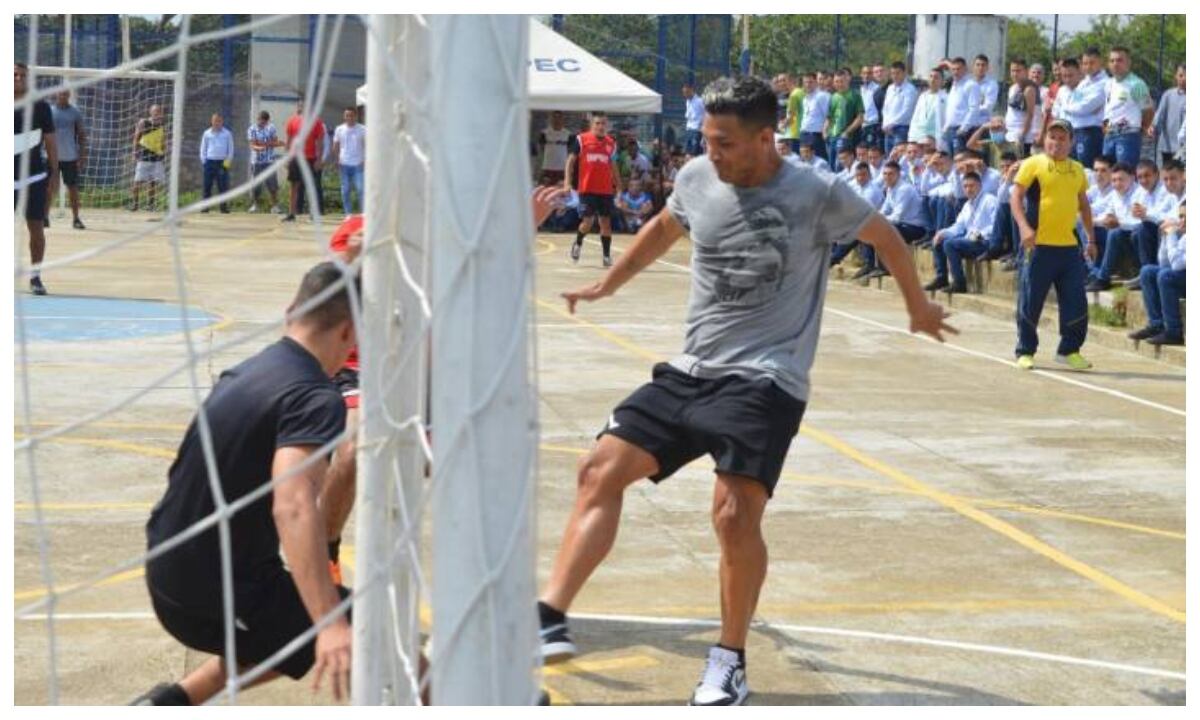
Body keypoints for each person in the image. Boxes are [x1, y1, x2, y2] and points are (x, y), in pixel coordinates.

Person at [537, 76, 955, 706]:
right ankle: (548, 615)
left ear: (767, 139)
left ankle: (728, 660)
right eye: (708, 140)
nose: (714, 154)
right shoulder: (699, 176)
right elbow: (663, 227)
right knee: (599, 470)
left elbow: (887, 237)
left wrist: (917, 307)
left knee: (733, 515)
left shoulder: (816, 192)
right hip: (692, 368)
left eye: (726, 143)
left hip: (766, 376)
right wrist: (609, 284)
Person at [135, 262, 358, 705]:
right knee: (370, 626)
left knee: (288, 630)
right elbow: (292, 504)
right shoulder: (315, 397)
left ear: (290, 311)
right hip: (209, 590)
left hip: (166, 562)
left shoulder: (247, 371)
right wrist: (330, 623)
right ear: (349, 333)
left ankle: (169, 704)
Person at [1010, 119, 1096, 371]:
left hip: (1069, 247)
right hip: (1038, 246)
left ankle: (1069, 349)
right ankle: (1025, 350)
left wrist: (1091, 238)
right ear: (1044, 139)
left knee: (1076, 301)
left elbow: (1084, 204)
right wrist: (1025, 228)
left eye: (1062, 138)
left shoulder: (1078, 169)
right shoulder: (1032, 164)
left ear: (1071, 142)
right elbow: (1015, 196)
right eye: (1052, 137)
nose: (1056, 143)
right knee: (1030, 300)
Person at [14, 62, 57, 296]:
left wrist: (54, 172)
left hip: (34, 178)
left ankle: (35, 276)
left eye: (22, 75)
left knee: (36, 228)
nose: (18, 78)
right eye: (14, 75)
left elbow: (50, 140)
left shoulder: (40, 107)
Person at [926, 171, 998, 293]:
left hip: (984, 242)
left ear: (980, 185)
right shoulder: (967, 205)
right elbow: (959, 226)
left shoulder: (990, 200)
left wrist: (980, 234)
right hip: (970, 241)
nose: (968, 189)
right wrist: (943, 232)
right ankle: (942, 277)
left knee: (950, 244)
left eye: (972, 186)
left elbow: (995, 226)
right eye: (965, 186)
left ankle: (959, 283)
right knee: (940, 239)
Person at [564, 111, 620, 267]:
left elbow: (614, 167)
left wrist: (620, 188)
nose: (601, 126)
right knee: (587, 222)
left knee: (605, 223)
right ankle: (578, 242)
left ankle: (606, 256)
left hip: (605, 190)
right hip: (587, 189)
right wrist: (567, 183)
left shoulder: (611, 143)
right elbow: (570, 161)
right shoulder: (581, 140)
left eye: (603, 124)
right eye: (597, 123)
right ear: (591, 125)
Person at [1128, 200, 1186, 346]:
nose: (1182, 221)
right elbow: (1164, 262)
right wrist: (1166, 237)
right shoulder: (1185, 235)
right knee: (1147, 271)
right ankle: (1156, 325)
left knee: (1165, 276)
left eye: (1187, 217)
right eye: (1181, 216)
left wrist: (1172, 235)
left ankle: (1174, 332)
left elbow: (1177, 265)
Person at [1102, 46, 1153, 166]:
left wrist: (1141, 129)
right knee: (1108, 173)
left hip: (1127, 136)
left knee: (1125, 174)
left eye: (1120, 60)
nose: (1115, 64)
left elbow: (1148, 110)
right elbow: (1108, 110)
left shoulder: (1137, 84)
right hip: (1109, 135)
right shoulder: (1108, 83)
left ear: (1128, 62)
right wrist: (1105, 130)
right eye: (1112, 60)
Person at [49, 89, 87, 230]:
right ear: (56, 95)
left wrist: (82, 155)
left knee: (72, 189)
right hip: (51, 156)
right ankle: (45, 217)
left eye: (65, 94)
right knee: (49, 187)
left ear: (69, 96)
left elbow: (82, 135)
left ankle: (76, 218)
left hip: (70, 157)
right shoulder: (49, 111)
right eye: (60, 94)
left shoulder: (75, 112)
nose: (62, 96)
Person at [284, 99, 327, 222]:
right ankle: (291, 214)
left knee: (311, 186)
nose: (303, 107)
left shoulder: (316, 122)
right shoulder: (292, 120)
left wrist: (319, 159)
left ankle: (313, 214)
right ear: (299, 107)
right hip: (295, 158)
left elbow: (320, 142)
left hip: (310, 159)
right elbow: (289, 141)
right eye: (301, 105)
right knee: (294, 186)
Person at [131, 103, 167, 212]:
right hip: (143, 156)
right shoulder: (144, 122)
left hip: (156, 157)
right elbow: (136, 138)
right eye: (155, 111)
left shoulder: (161, 125)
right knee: (138, 181)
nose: (157, 113)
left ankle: (150, 205)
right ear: (150, 112)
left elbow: (162, 140)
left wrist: (164, 150)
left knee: (152, 182)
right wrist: (134, 152)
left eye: (159, 111)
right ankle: (135, 204)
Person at [247, 110, 284, 214]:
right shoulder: (252, 129)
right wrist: (265, 145)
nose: (262, 123)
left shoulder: (271, 127)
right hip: (256, 161)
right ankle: (255, 205)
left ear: (267, 121)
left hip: (269, 160)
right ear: (258, 119)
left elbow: (276, 142)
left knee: (273, 185)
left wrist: (262, 144)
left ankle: (275, 206)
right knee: (256, 185)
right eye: (260, 121)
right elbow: (253, 145)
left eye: (264, 122)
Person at [331, 107, 366, 216]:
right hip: (344, 163)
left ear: (355, 116)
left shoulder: (363, 129)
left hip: (358, 164)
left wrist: (366, 160)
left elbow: (369, 145)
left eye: (351, 115)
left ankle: (363, 214)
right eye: (347, 115)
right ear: (344, 116)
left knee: (361, 189)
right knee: (345, 191)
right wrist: (336, 160)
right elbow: (336, 145)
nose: (349, 117)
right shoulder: (339, 129)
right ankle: (348, 214)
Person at [825, 69, 864, 167]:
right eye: (836, 82)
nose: (839, 84)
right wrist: (824, 131)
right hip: (832, 137)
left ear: (847, 80)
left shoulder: (855, 95)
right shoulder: (833, 97)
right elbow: (829, 117)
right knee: (831, 166)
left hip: (845, 138)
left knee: (841, 166)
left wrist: (847, 132)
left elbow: (860, 118)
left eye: (841, 81)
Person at [1004, 58, 1041, 157]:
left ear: (1026, 71)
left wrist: (1022, 136)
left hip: (1024, 138)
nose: (1015, 74)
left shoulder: (1029, 89)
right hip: (1010, 135)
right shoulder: (1012, 88)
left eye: (1018, 70)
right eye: (1013, 70)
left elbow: (1030, 114)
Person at [199, 113, 234, 214]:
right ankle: (205, 207)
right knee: (207, 186)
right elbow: (203, 149)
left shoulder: (227, 134)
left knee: (222, 186)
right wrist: (204, 162)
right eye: (215, 120)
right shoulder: (207, 133)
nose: (217, 123)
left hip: (222, 163)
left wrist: (226, 165)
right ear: (211, 121)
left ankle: (223, 208)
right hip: (209, 162)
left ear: (222, 121)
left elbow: (230, 151)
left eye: (219, 121)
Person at [1150, 64, 1185, 166]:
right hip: (1168, 146)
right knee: (1168, 175)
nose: (1184, 79)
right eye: (1181, 75)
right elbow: (1159, 115)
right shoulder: (1168, 95)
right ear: (1176, 76)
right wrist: (1153, 127)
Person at [941, 57, 976, 155]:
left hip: (961, 130)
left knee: (960, 160)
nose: (956, 72)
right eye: (953, 69)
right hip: (949, 129)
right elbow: (951, 109)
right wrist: (945, 127)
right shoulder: (954, 85)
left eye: (958, 69)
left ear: (965, 69)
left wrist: (964, 128)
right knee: (949, 160)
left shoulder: (971, 85)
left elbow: (973, 109)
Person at [882, 62, 918, 156]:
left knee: (900, 158)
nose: (895, 76)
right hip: (888, 129)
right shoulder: (890, 88)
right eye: (893, 73)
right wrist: (885, 123)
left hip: (901, 129)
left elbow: (907, 111)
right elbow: (886, 108)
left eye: (898, 73)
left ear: (904, 73)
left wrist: (892, 123)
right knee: (889, 157)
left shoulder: (910, 89)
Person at [908, 67, 947, 149]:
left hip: (936, 137)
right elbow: (916, 117)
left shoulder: (946, 97)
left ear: (942, 81)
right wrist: (912, 137)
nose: (933, 80)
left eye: (936, 77)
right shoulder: (922, 96)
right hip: (920, 137)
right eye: (931, 76)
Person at [965, 54, 999, 143]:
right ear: (973, 67)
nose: (980, 67)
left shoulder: (992, 84)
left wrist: (970, 110)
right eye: (978, 65)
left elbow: (988, 107)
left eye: (983, 65)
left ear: (987, 67)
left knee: (980, 155)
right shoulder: (967, 84)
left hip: (981, 126)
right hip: (966, 126)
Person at [797, 72, 830, 161]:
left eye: (810, 82)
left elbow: (829, 116)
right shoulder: (805, 98)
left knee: (819, 161)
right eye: (805, 82)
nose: (808, 85)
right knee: (805, 162)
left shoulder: (822, 96)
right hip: (804, 133)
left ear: (816, 82)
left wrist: (825, 131)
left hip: (816, 135)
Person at [539, 110, 571, 186]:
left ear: (562, 119)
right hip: (548, 167)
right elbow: (541, 148)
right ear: (551, 119)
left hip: (562, 168)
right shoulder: (544, 133)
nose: (557, 120)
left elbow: (570, 152)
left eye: (559, 117)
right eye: (554, 117)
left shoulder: (568, 134)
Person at [858, 65, 882, 151]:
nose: (866, 76)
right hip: (861, 126)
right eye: (864, 73)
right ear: (860, 74)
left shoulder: (877, 89)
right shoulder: (860, 89)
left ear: (872, 75)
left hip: (873, 126)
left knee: (871, 151)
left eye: (869, 73)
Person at [682, 83, 706, 157]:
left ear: (691, 90)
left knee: (695, 153)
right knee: (687, 152)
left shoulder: (700, 101)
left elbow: (706, 114)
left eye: (686, 92)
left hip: (697, 130)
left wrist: (703, 129)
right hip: (689, 129)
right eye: (683, 92)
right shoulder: (687, 102)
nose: (685, 94)